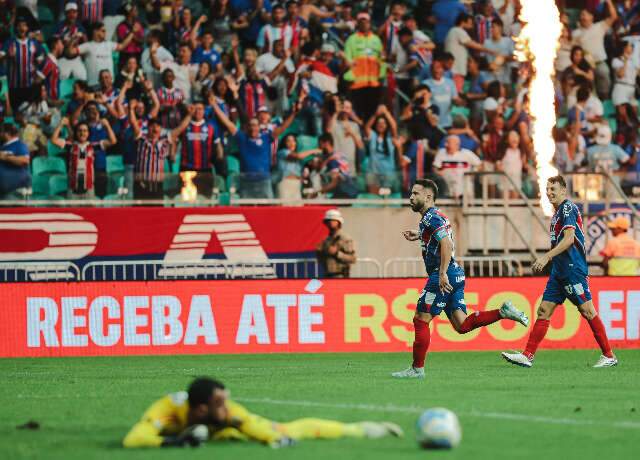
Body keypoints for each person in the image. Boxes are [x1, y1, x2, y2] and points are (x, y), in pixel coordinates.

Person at [391, 179, 529, 379]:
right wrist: (420, 234)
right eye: (411, 193)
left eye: (415, 194)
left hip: (445, 274)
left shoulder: (431, 218)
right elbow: (440, 239)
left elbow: (446, 244)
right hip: (457, 274)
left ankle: (416, 369)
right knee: (462, 325)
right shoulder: (433, 218)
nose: (411, 197)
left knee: (421, 319)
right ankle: (502, 311)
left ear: (428, 197)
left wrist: (442, 273)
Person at [502, 175, 618, 369]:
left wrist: (547, 256)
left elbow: (569, 239)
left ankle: (609, 355)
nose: (549, 193)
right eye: (547, 189)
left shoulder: (567, 208)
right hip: (559, 272)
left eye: (553, 189)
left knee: (587, 311)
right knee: (544, 310)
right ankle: (527, 355)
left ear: (563, 191)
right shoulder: (556, 214)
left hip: (573, 269)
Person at [122, 376, 402, 448]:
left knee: (290, 428)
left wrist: (272, 438)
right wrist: (174, 442)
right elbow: (133, 439)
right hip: (191, 432)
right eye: (220, 404)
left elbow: (253, 425)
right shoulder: (168, 411)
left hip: (223, 432)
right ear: (201, 408)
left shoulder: (231, 413)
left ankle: (363, 429)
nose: (226, 407)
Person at [316, 209, 356, 278]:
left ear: (339, 222)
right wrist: (320, 252)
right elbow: (321, 259)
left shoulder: (345, 239)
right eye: (328, 221)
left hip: (341, 275)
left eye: (333, 220)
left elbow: (352, 259)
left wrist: (337, 253)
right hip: (327, 275)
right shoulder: (326, 240)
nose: (330, 222)